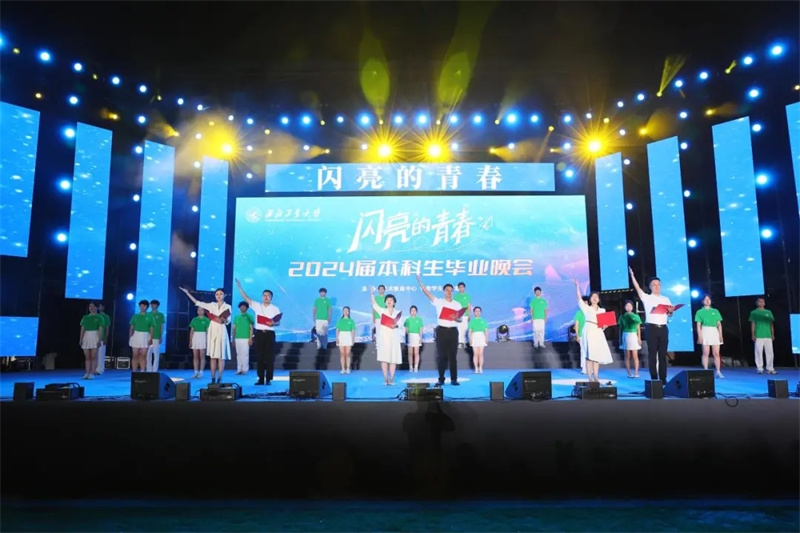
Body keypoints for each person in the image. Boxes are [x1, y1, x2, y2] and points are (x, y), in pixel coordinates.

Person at [629, 267, 674, 384]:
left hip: (663, 328)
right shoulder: (647, 297)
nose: (657, 286)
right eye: (654, 285)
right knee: (652, 354)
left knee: (663, 354)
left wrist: (670, 312)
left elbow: (670, 314)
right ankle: (654, 378)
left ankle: (663, 378)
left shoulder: (666, 299)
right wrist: (632, 276)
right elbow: (637, 288)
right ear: (650, 287)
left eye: (658, 284)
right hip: (651, 328)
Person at [417, 274, 462, 386]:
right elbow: (426, 292)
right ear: (443, 291)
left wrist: (456, 318)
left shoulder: (457, 304)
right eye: (447, 290)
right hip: (441, 331)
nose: (449, 292)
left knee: (453, 356)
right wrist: (420, 281)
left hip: (453, 331)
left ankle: (454, 379)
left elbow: (460, 319)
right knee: (441, 356)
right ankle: (441, 379)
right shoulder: (439, 302)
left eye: (451, 290)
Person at [235, 279, 281, 386]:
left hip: (270, 334)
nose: (266, 297)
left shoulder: (275, 308)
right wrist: (239, 287)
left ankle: (268, 379)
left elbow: (278, 322)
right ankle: (260, 378)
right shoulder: (257, 305)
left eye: (268, 295)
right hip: (259, 333)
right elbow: (245, 298)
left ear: (271, 298)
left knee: (269, 357)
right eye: (264, 295)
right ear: (262, 297)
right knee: (259, 357)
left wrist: (273, 323)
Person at [179, 287, 231, 384]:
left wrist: (225, 320)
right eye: (217, 294)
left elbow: (228, 320)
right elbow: (198, 302)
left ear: (224, 295)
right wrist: (187, 293)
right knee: (212, 357)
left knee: (221, 356)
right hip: (212, 330)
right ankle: (213, 378)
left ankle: (220, 378)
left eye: (221, 294)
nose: (219, 296)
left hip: (221, 330)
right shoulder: (211, 305)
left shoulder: (227, 306)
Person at [573, 280, 614, 382]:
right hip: (589, 330)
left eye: (597, 297)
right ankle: (590, 378)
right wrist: (577, 286)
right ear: (590, 299)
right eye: (593, 297)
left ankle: (596, 376)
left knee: (597, 355)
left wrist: (605, 326)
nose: (595, 298)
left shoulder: (602, 310)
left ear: (599, 299)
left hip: (598, 332)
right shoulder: (586, 308)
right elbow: (579, 298)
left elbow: (604, 325)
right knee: (589, 356)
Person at [370, 287, 402, 385]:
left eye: (391, 300)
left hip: (394, 338)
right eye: (387, 300)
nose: (389, 301)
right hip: (384, 338)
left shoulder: (398, 313)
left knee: (393, 359)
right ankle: (385, 379)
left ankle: (391, 379)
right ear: (385, 302)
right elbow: (374, 304)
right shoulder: (382, 311)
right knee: (384, 359)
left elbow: (400, 325)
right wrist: (372, 293)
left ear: (394, 302)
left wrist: (396, 325)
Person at [695, 295, 724, 379]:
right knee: (705, 353)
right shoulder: (699, 312)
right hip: (705, 331)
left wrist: (720, 335)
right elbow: (698, 325)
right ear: (702, 301)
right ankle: (706, 371)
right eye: (705, 299)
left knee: (716, 353)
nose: (707, 301)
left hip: (714, 331)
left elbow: (719, 324)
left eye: (709, 299)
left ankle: (718, 371)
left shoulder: (715, 311)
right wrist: (700, 336)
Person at [749, 297, 777, 375]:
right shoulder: (754, 312)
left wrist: (772, 334)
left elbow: (771, 324)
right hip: (759, 335)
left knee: (770, 352)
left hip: (768, 335)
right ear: (757, 303)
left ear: (764, 303)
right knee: (758, 352)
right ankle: (759, 368)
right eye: (760, 301)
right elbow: (753, 324)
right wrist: (753, 334)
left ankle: (770, 368)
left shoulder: (769, 312)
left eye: (763, 301)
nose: (761, 303)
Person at [79, 302, 104, 380]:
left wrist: (99, 340)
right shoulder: (85, 317)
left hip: (95, 336)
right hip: (87, 336)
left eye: (93, 306)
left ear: (97, 307)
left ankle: (92, 372)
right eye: (90, 306)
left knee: (93, 356)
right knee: (87, 357)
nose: (91, 308)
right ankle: (87, 372)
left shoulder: (100, 318)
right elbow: (82, 329)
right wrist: (81, 339)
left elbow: (100, 330)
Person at [618, 300, 643, 378]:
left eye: (630, 306)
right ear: (624, 307)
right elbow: (620, 329)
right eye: (627, 306)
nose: (628, 307)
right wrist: (620, 339)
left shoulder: (636, 316)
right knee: (627, 356)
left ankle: (636, 372)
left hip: (634, 335)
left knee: (635, 355)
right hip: (625, 335)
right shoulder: (622, 317)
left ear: (632, 307)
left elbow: (638, 328)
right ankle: (629, 373)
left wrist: (639, 338)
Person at [128, 300, 153, 372]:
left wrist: (151, 338)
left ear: (147, 307)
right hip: (136, 335)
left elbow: (151, 328)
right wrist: (130, 337)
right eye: (141, 305)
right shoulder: (135, 316)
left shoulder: (150, 316)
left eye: (144, 306)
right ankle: (134, 372)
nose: (142, 307)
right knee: (135, 355)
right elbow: (131, 328)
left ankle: (142, 371)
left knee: (143, 356)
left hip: (145, 336)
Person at [232, 301, 254, 375]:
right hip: (237, 338)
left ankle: (245, 369)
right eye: (241, 306)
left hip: (246, 338)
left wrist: (250, 338)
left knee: (245, 354)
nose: (242, 308)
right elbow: (234, 328)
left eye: (244, 306)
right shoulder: (236, 317)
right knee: (239, 354)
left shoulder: (250, 316)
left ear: (247, 308)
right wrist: (233, 339)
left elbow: (251, 328)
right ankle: (239, 369)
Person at [188, 307, 210, 378]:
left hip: (203, 337)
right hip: (195, 337)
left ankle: (201, 372)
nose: (200, 311)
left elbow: (208, 332)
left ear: (204, 311)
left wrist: (207, 341)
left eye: (202, 310)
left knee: (202, 356)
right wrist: (190, 341)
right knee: (195, 356)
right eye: (199, 310)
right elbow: (191, 331)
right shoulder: (194, 319)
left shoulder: (207, 320)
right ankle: (195, 372)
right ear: (197, 311)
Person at [146, 299, 166, 372]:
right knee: (148, 353)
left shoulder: (160, 315)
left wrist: (161, 336)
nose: (153, 306)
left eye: (154, 304)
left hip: (157, 336)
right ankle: (149, 369)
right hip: (148, 336)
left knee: (156, 353)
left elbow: (162, 326)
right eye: (152, 304)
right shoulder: (147, 314)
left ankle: (155, 370)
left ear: (157, 306)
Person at [468, 306, 489, 373]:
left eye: (479, 311)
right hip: (474, 336)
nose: (477, 312)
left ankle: (480, 368)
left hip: (481, 336)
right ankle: (476, 368)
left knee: (481, 353)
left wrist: (486, 338)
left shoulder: (484, 321)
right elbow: (470, 331)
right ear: (474, 312)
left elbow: (486, 330)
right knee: (475, 353)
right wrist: (470, 339)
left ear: (481, 312)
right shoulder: (472, 321)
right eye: (476, 311)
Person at [335, 306, 356, 373]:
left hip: (348, 336)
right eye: (344, 310)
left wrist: (353, 339)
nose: (346, 312)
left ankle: (348, 368)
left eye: (347, 311)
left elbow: (353, 331)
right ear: (343, 312)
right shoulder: (340, 321)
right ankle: (343, 369)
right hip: (341, 336)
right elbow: (337, 330)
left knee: (347, 353)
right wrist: (337, 338)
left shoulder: (351, 321)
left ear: (349, 312)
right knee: (342, 353)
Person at [404, 305, 424, 372]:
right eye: (412, 310)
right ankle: (410, 367)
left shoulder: (419, 319)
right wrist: (406, 338)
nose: (413, 312)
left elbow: (421, 329)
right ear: (410, 312)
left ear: (416, 311)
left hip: (416, 336)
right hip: (410, 336)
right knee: (410, 353)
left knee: (416, 353)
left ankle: (416, 367)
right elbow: (406, 329)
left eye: (414, 310)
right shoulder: (407, 320)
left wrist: (420, 337)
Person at [454, 282, 471, 348]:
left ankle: (465, 342)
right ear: (458, 288)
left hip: (466, 314)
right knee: (459, 329)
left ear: (464, 288)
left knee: (465, 328)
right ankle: (460, 342)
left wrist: (469, 314)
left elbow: (469, 305)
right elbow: (454, 305)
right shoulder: (456, 296)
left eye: (462, 287)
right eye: (460, 287)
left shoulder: (467, 296)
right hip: (459, 314)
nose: (461, 288)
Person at [95, 303, 111, 375]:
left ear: (103, 308)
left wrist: (106, 338)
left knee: (101, 354)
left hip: (102, 337)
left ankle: (100, 369)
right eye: (98, 307)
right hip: (94, 337)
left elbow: (107, 328)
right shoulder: (95, 316)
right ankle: (94, 369)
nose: (99, 308)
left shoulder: (106, 317)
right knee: (94, 354)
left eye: (101, 306)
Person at [574, 305, 586, 374]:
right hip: (582, 335)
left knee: (591, 352)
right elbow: (576, 325)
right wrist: (577, 336)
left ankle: (591, 368)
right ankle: (584, 368)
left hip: (591, 335)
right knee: (583, 351)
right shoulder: (579, 313)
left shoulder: (591, 312)